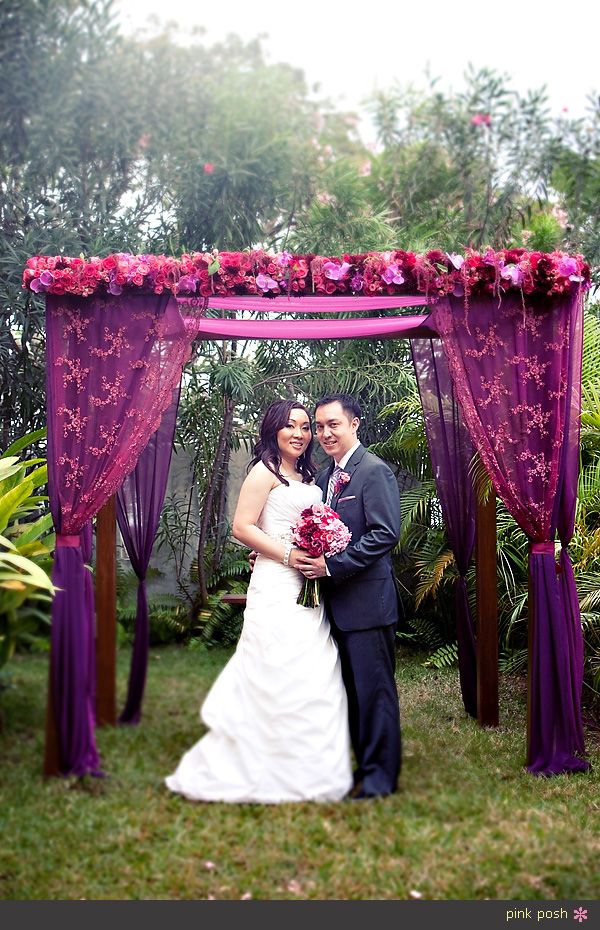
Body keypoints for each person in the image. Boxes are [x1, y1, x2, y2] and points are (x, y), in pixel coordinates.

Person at [165, 399, 352, 803]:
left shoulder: (308, 475)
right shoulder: (262, 473)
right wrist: (285, 554)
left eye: (305, 427)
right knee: (274, 662)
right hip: (277, 582)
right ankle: (257, 763)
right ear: (273, 431)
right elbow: (241, 526)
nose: (300, 434)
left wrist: (316, 547)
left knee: (311, 664)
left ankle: (306, 764)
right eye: (291, 426)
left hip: (306, 584)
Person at [295, 393, 402, 799]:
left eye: (332, 424)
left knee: (374, 694)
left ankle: (379, 779)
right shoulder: (323, 478)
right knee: (350, 693)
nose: (323, 433)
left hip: (367, 606)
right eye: (319, 427)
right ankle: (362, 767)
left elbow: (384, 534)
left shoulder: (373, 472)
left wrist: (331, 567)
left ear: (354, 424)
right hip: (333, 608)